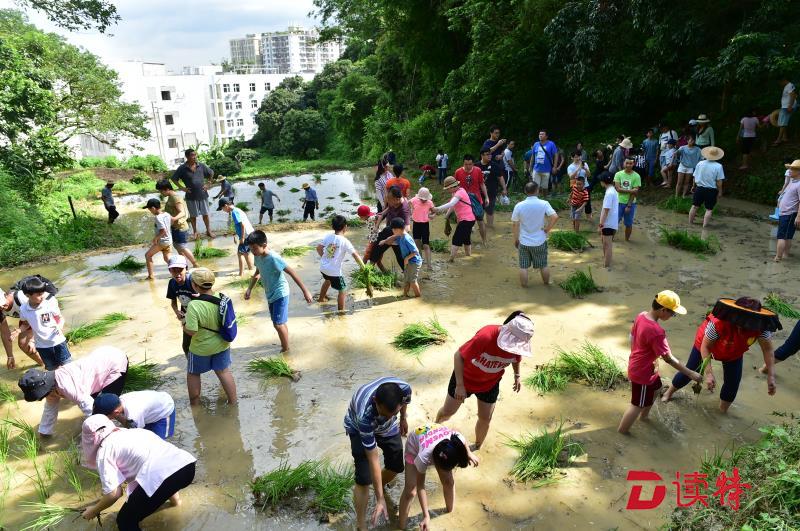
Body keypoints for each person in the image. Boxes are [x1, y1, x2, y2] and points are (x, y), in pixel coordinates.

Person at [662, 297, 779, 412]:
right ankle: (669, 392)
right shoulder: (719, 323)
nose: (743, 327)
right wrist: (709, 373)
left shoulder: (761, 327)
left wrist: (771, 376)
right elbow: (706, 347)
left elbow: (768, 350)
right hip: (705, 345)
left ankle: (722, 411)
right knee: (690, 371)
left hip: (734, 351)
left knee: (732, 383)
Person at [80, 414, 196, 530]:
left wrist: (94, 510)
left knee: (125, 521)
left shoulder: (104, 451)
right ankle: (177, 505)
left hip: (163, 476)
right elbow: (165, 468)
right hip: (187, 466)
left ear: (89, 439)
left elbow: (114, 494)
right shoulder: (135, 432)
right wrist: (175, 502)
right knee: (158, 480)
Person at [436, 312, 533, 449]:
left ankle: (477, 446)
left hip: (490, 384)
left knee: (485, 418)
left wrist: (517, 375)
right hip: (464, 380)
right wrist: (459, 385)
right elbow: (458, 356)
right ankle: (434, 428)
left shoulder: (518, 345)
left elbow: (516, 359)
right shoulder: (486, 336)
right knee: (447, 412)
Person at [617, 292, 702, 434]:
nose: (672, 316)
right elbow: (668, 358)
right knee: (636, 404)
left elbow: (632, 336)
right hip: (642, 372)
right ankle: (623, 432)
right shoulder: (657, 332)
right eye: (672, 313)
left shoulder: (642, 315)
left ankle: (644, 417)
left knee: (657, 388)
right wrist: (691, 373)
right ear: (663, 310)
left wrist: (636, 355)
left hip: (644, 367)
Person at [344, 377, 412, 529]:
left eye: (392, 414)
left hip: (387, 429)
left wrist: (401, 418)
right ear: (375, 401)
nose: (387, 417)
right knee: (363, 478)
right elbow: (373, 458)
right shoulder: (364, 416)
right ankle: (361, 525)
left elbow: (405, 402)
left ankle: (378, 485)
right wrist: (380, 498)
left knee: (396, 467)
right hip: (358, 428)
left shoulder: (404, 389)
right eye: (384, 414)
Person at [18, 345, 128, 435]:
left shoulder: (68, 387)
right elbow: (49, 410)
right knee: (97, 404)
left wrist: (99, 434)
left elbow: (92, 411)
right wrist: (44, 432)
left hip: (114, 363)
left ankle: (126, 426)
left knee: (107, 406)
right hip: (102, 355)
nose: (43, 397)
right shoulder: (50, 387)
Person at [398, 424, 479, 530]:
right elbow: (420, 486)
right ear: (434, 462)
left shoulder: (454, 439)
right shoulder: (423, 457)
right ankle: (400, 526)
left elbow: (461, 438)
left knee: (449, 481)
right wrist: (426, 515)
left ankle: (450, 512)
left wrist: (468, 453)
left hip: (435, 433)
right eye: (442, 468)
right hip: (414, 444)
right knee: (410, 491)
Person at [245, 230, 314, 353]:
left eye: (255, 248)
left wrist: (305, 291)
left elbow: (292, 272)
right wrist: (249, 289)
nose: (253, 252)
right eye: (251, 249)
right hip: (270, 293)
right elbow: (257, 273)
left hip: (280, 293)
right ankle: (286, 343)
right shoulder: (257, 256)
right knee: (279, 322)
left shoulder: (273, 258)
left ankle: (286, 350)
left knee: (277, 324)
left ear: (264, 245)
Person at [183, 268, 237, 405]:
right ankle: (233, 402)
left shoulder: (193, 305)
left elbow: (192, 331)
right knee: (224, 372)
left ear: (194, 285)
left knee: (193, 373)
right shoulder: (222, 298)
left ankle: (195, 406)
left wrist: (183, 325)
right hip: (222, 344)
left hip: (200, 348)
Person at [510, 182, 558, 287]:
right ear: (537, 191)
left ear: (525, 191)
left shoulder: (519, 205)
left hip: (524, 241)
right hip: (539, 241)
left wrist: (516, 239)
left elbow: (515, 224)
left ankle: (524, 287)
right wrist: (547, 229)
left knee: (523, 266)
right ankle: (546, 284)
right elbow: (555, 217)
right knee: (543, 265)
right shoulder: (544, 203)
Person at [17, 276, 70, 370]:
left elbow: (60, 318)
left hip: (57, 341)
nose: (42, 296)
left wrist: (59, 326)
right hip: (42, 346)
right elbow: (26, 324)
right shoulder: (23, 309)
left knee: (67, 366)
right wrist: (18, 331)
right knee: (51, 368)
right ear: (28, 295)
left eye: (43, 293)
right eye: (39, 294)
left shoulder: (49, 303)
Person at [317, 215, 365, 311]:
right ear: (345, 227)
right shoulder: (345, 241)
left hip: (323, 267)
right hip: (334, 271)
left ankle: (321, 299)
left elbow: (319, 248)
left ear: (332, 226)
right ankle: (341, 311)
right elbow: (355, 255)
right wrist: (363, 267)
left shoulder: (328, 236)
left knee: (327, 281)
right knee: (342, 290)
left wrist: (324, 258)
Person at [93, 390, 176, 439]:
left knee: (158, 442)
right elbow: (123, 419)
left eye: (105, 417)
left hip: (164, 410)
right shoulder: (118, 402)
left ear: (116, 412)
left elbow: (136, 435)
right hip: (151, 409)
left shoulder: (134, 415)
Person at [170, 148, 214, 239]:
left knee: (205, 214)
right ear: (187, 156)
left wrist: (208, 184)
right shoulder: (182, 168)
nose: (194, 157)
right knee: (193, 216)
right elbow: (174, 179)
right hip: (191, 195)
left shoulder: (201, 165)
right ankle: (195, 232)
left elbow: (211, 173)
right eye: (192, 155)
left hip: (202, 194)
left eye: (195, 155)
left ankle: (208, 230)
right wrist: (182, 188)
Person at [434, 177, 477, 263]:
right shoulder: (456, 192)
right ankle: (469, 256)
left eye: (447, 189)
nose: (447, 190)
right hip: (468, 219)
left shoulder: (460, 192)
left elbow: (451, 203)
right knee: (466, 238)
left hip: (466, 220)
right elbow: (453, 206)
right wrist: (447, 215)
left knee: (456, 239)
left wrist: (437, 209)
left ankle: (451, 260)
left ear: (452, 187)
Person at [156, 180, 198, 268]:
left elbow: (182, 212)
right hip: (175, 227)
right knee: (179, 247)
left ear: (167, 189)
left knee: (182, 247)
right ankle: (184, 266)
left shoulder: (175, 197)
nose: (161, 193)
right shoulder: (171, 197)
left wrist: (173, 219)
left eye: (161, 191)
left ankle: (195, 264)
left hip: (180, 227)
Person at [378, 217, 423, 297]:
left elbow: (416, 251)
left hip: (414, 262)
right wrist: (385, 242)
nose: (392, 231)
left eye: (393, 230)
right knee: (406, 280)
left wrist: (406, 258)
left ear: (397, 229)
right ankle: (405, 295)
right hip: (408, 261)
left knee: (412, 281)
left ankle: (418, 297)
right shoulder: (400, 236)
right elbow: (395, 242)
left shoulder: (407, 238)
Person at [164, 255, 196, 357]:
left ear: (186, 269)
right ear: (170, 271)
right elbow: (173, 302)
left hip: (199, 314)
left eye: (180, 270)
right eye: (173, 270)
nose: (177, 274)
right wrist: (177, 312)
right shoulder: (172, 283)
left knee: (202, 341)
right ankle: (193, 368)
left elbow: (206, 297)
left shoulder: (192, 281)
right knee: (186, 346)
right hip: (186, 316)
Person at [372, 186, 410, 270]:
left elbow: (407, 229)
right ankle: (369, 269)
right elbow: (382, 214)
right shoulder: (393, 202)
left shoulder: (404, 209)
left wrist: (391, 238)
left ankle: (409, 278)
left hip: (398, 237)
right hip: (389, 232)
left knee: (400, 258)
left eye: (389, 199)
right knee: (377, 249)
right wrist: (376, 226)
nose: (387, 201)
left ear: (397, 199)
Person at [454, 154, 489, 245]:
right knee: (461, 222)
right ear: (463, 163)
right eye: (466, 164)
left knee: (480, 221)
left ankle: (484, 241)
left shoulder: (478, 170)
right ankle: (464, 241)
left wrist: (487, 197)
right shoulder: (458, 172)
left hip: (477, 200)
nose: (468, 166)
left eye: (470, 164)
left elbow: (482, 184)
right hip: (463, 202)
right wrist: (454, 200)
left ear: (473, 163)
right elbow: (455, 187)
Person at [689, 146, 725, 228]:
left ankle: (690, 224)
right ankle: (704, 227)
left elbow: (694, 176)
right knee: (709, 209)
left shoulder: (700, 163)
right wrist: (720, 191)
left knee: (694, 206)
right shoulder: (718, 166)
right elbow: (719, 181)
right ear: (717, 156)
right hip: (711, 190)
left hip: (699, 188)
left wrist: (693, 186)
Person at [217, 197, 254, 276]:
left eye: (222, 208)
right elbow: (238, 225)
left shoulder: (234, 212)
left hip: (246, 235)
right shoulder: (237, 210)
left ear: (226, 205)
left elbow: (242, 225)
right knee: (246, 253)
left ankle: (241, 274)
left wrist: (242, 238)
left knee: (240, 254)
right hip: (250, 233)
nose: (223, 210)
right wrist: (232, 233)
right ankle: (251, 270)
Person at [774, 159, 800, 262]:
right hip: (785, 212)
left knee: (782, 236)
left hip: (789, 213)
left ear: (798, 171)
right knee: (787, 236)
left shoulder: (799, 184)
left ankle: (778, 257)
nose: (789, 171)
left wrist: (798, 216)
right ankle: (785, 255)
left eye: (792, 169)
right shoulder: (792, 181)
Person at [142, 198, 172, 280]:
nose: (150, 211)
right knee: (167, 258)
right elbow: (170, 223)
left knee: (148, 255)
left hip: (162, 242)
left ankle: (151, 276)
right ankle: (180, 269)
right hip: (169, 240)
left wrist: (156, 238)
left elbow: (163, 230)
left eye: (149, 209)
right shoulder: (167, 214)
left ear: (153, 208)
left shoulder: (158, 217)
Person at [477, 149, 506, 229]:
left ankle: (489, 227)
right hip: (478, 193)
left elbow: (500, 177)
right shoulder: (476, 166)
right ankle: (481, 226)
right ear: (482, 155)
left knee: (489, 211)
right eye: (487, 154)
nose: (490, 156)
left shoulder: (494, 165)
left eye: (490, 154)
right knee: (479, 211)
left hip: (491, 192)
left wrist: (504, 188)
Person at [614, 157, 641, 242]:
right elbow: (618, 189)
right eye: (627, 163)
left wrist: (629, 205)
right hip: (618, 202)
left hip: (631, 203)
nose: (628, 165)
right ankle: (611, 239)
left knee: (628, 224)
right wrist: (631, 190)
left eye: (630, 163)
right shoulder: (618, 174)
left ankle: (627, 241)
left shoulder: (636, 176)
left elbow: (635, 193)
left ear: (633, 164)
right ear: (623, 163)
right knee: (615, 222)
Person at [598, 171, 619, 269]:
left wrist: (601, 225)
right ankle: (607, 262)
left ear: (603, 181)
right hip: (611, 222)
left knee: (607, 245)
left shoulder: (609, 193)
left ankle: (606, 267)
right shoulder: (613, 190)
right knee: (606, 243)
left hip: (608, 223)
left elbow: (606, 211)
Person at [409, 187, 435, 267]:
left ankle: (429, 265)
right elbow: (407, 204)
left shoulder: (430, 203)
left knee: (426, 245)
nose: (424, 200)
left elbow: (434, 212)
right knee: (417, 243)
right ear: (419, 197)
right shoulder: (414, 200)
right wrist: (410, 213)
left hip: (425, 225)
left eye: (425, 199)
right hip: (416, 224)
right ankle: (420, 261)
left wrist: (432, 215)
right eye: (422, 199)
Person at [530, 130, 559, 195]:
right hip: (536, 169)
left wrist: (554, 167)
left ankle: (544, 199)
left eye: (542, 134)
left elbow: (556, 155)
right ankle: (536, 201)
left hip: (546, 170)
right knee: (535, 187)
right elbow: (533, 156)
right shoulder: (536, 144)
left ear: (546, 136)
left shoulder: (551, 144)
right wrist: (530, 167)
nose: (540, 135)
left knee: (545, 187)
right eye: (539, 134)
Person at [775, 78, 796, 146]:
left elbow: (793, 95)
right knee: (782, 122)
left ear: (783, 80)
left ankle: (779, 140)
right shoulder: (786, 86)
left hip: (787, 106)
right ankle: (784, 138)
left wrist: (790, 105)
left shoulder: (790, 85)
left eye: (780, 82)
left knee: (783, 123)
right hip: (784, 106)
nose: (780, 84)